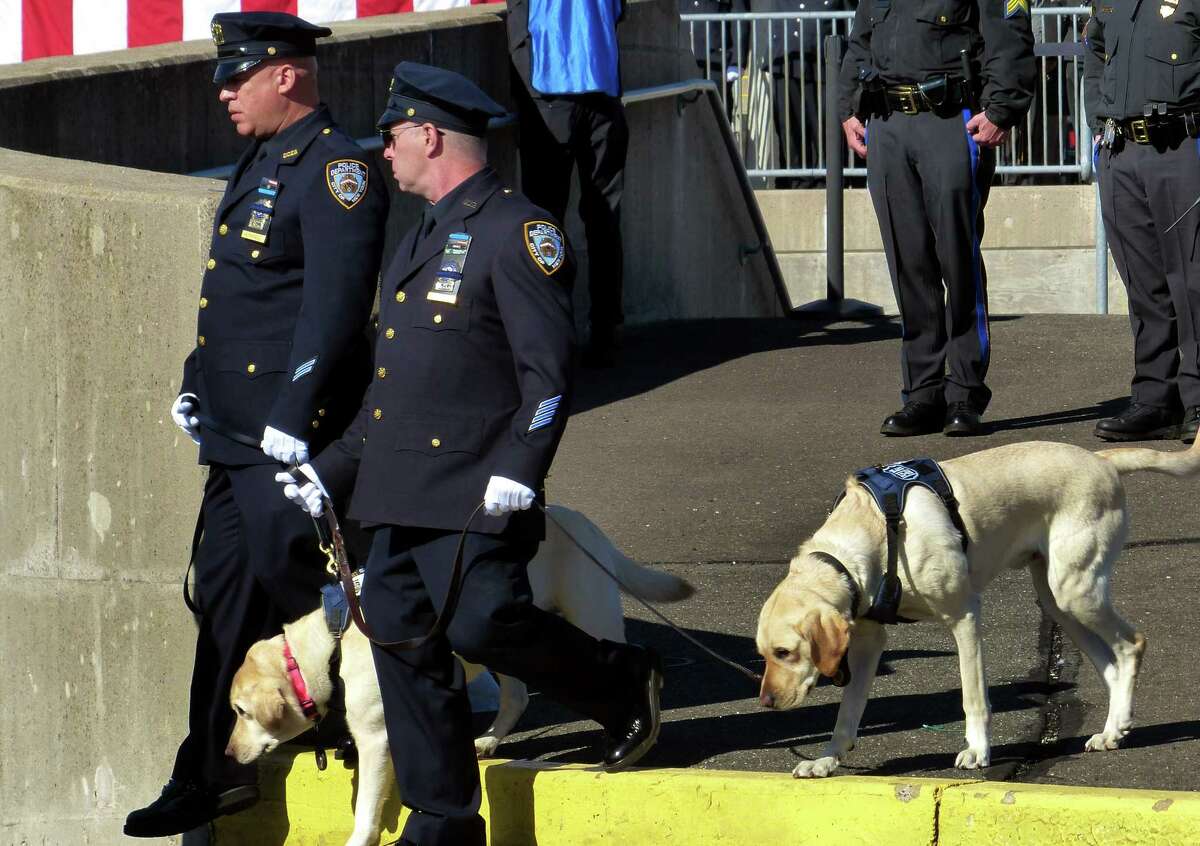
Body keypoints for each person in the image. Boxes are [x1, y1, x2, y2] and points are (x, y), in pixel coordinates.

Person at [278, 62, 663, 846]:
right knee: (404, 651)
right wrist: (331, 469)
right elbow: (395, 393)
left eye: (393, 136)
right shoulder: (420, 236)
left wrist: (522, 467)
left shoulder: (518, 232)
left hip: (473, 489)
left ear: (429, 135)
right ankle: (443, 821)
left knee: (484, 625)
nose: (385, 152)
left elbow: (548, 375)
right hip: (394, 493)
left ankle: (622, 680)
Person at [123, 12, 387, 837]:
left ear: (287, 74)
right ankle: (209, 772)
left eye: (239, 77)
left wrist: (293, 414)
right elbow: (237, 298)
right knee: (222, 598)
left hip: (286, 436)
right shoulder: (266, 158)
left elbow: (334, 310)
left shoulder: (337, 170)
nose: (225, 92)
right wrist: (195, 382)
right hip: (236, 434)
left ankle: (361, 719)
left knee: (301, 584)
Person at [839, 0, 1035, 436]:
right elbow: (861, 40)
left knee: (956, 258)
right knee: (909, 263)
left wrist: (1002, 107)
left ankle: (964, 390)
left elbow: (1008, 35)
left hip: (950, 119)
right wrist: (847, 106)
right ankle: (923, 392)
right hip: (888, 123)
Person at [1085, 0, 1200, 443]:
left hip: (1182, 145)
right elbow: (1095, 53)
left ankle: (1197, 400)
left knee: (1192, 281)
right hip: (1121, 151)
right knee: (1144, 285)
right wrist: (1098, 119)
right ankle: (1156, 399)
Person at [506, 0, 628, 367]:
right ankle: (606, 328)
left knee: (544, 221)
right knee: (604, 217)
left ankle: (550, 334)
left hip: (548, 88)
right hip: (602, 84)